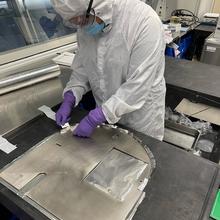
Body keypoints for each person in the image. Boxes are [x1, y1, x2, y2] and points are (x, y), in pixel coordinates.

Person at [51, 0, 166, 140]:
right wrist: (71, 95)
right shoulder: (86, 26)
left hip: (139, 118)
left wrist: (96, 117)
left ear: (98, 4)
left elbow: (138, 85)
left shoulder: (144, 21)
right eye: (75, 22)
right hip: (104, 116)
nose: (81, 25)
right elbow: (84, 68)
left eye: (84, 19)